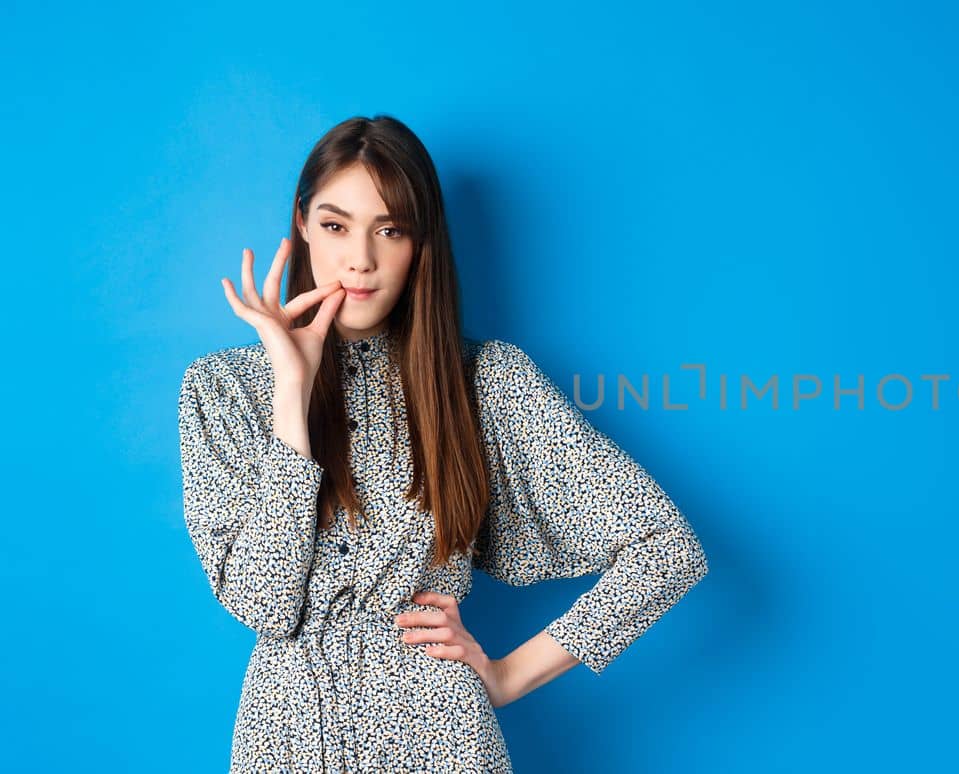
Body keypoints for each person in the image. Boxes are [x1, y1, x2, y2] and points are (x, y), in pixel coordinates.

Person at [177, 114, 710, 772]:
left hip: (441, 738)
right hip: (287, 739)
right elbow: (264, 604)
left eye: (390, 230)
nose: (360, 259)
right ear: (302, 224)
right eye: (336, 225)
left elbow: (668, 550)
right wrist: (293, 392)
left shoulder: (485, 382)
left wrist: (510, 676)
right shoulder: (223, 389)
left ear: (421, 242)